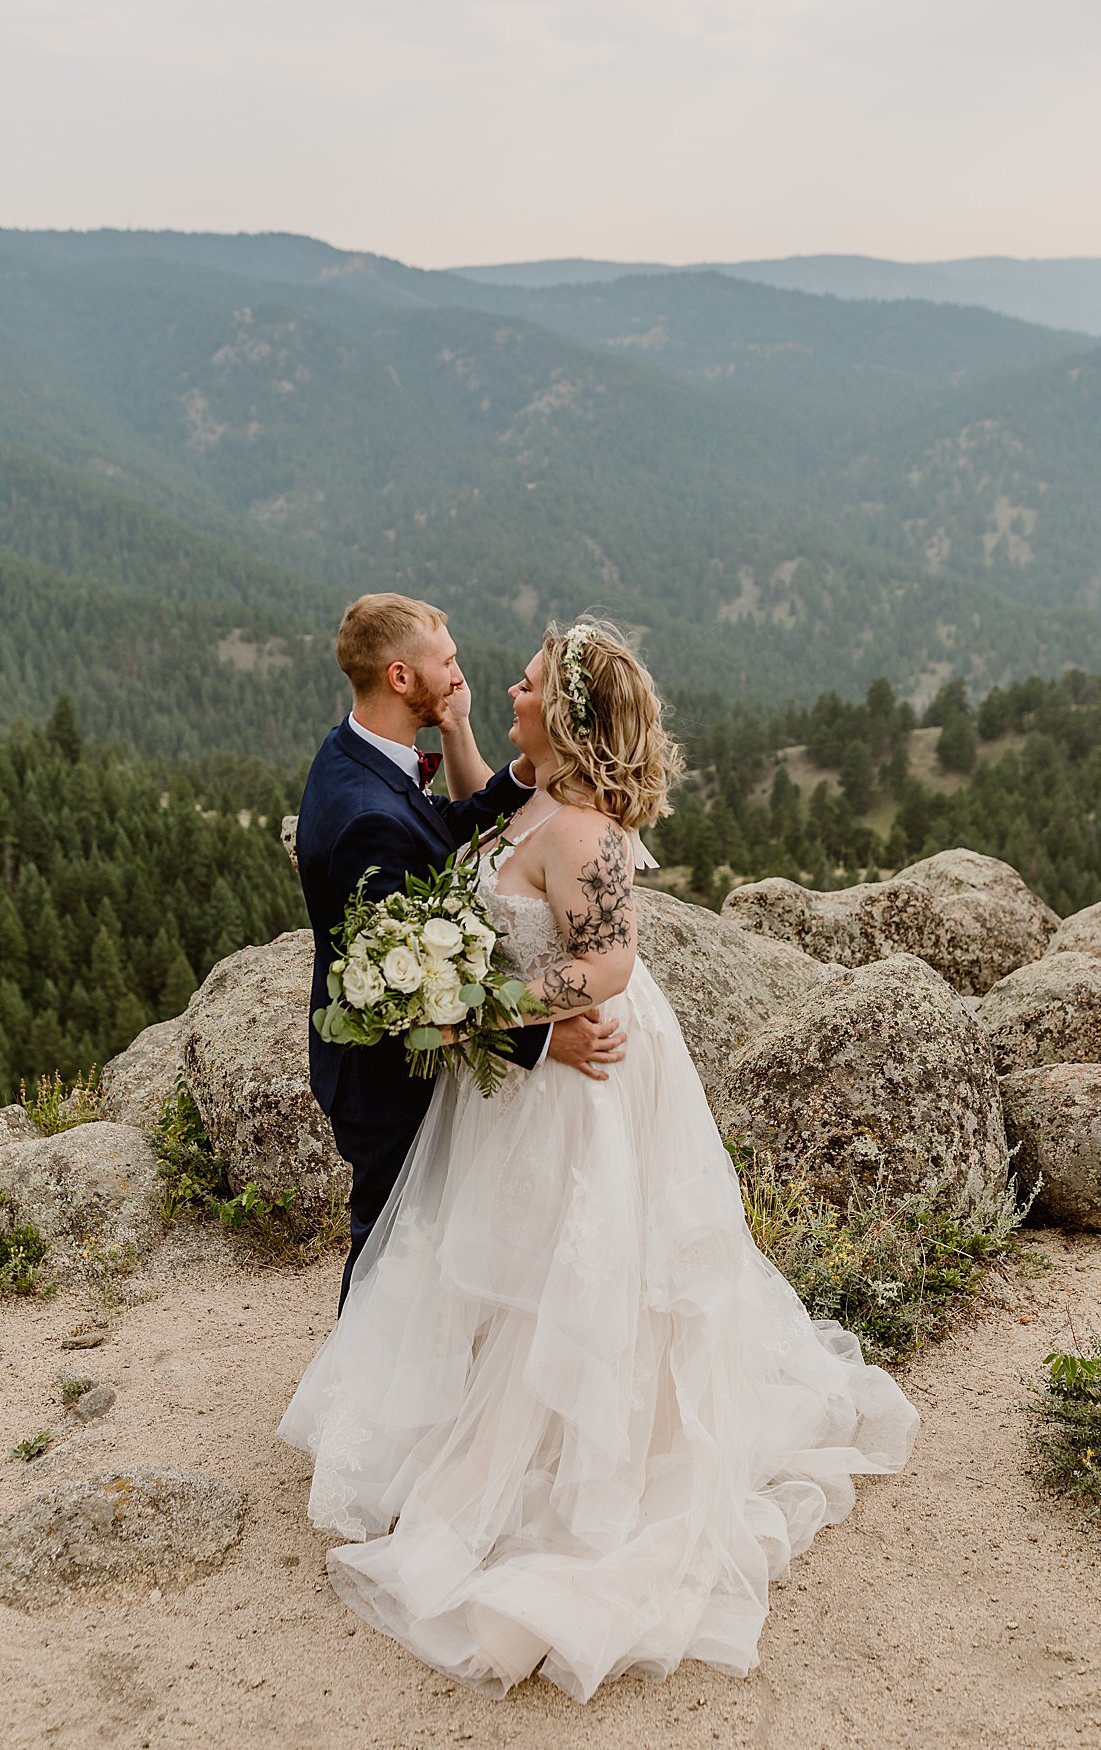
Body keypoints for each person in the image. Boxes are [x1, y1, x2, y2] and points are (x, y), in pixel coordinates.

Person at [280, 616, 919, 1702]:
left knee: (561, 1267)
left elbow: (610, 967)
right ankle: (472, 1432)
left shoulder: (586, 833)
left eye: (524, 684)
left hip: (580, 1082)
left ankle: (554, 1467)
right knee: (493, 1261)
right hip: (522, 1079)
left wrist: (490, 1007)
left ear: (565, 714)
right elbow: (491, 808)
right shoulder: (536, 782)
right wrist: (472, 735)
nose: (510, 689)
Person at [296, 593, 628, 1308]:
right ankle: (365, 1396)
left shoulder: (354, 754)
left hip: (428, 1063)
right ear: (399, 677)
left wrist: (505, 769)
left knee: (430, 1241)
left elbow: (435, 829)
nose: (461, 677)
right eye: (445, 663)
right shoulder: (365, 816)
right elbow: (404, 987)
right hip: (384, 1073)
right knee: (391, 1241)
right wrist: (539, 1041)